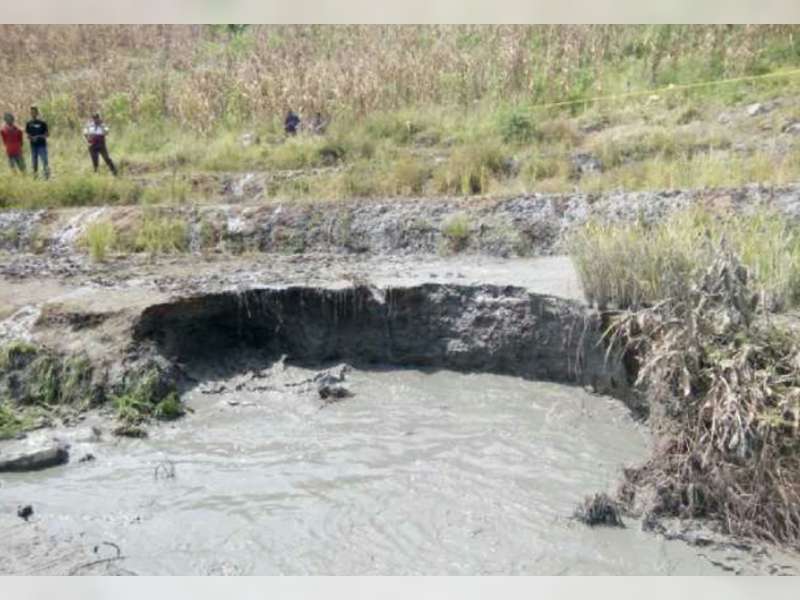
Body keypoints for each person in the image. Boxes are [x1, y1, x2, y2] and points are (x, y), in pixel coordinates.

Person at [25, 106, 50, 179]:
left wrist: (38, 136)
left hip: (42, 145)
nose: (33, 113)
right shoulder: (28, 123)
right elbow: (28, 134)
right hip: (33, 146)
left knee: (44, 160)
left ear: (37, 113)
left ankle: (46, 177)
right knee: (34, 162)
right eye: (31, 112)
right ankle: (35, 177)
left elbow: (47, 134)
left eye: (34, 112)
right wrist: (31, 138)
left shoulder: (42, 123)